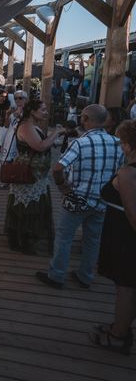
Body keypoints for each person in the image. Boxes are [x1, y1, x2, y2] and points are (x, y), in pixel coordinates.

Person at [36, 104, 124, 289]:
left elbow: (58, 168)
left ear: (85, 119)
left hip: (77, 198)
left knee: (64, 237)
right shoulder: (117, 143)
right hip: (101, 201)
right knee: (92, 239)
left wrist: (62, 186)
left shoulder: (80, 143)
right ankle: (86, 276)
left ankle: (57, 276)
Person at [90, 120, 136, 354]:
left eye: (121, 141)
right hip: (123, 234)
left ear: (129, 145)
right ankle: (121, 326)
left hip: (125, 238)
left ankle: (118, 335)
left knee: (125, 288)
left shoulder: (128, 172)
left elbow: (131, 211)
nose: (119, 145)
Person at [4, 100, 63, 254]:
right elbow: (40, 146)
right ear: (32, 111)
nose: (46, 112)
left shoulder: (31, 126)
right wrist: (56, 133)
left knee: (32, 204)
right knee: (27, 206)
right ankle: (23, 239)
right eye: (43, 109)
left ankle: (24, 238)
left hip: (36, 174)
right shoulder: (26, 127)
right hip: (28, 173)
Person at [0, 90, 28, 163]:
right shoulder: (13, 109)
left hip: (21, 139)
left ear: (25, 99)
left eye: (20, 98)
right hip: (10, 138)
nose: (18, 100)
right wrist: (7, 115)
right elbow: (6, 125)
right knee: (7, 162)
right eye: (16, 98)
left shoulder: (28, 111)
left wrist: (21, 117)